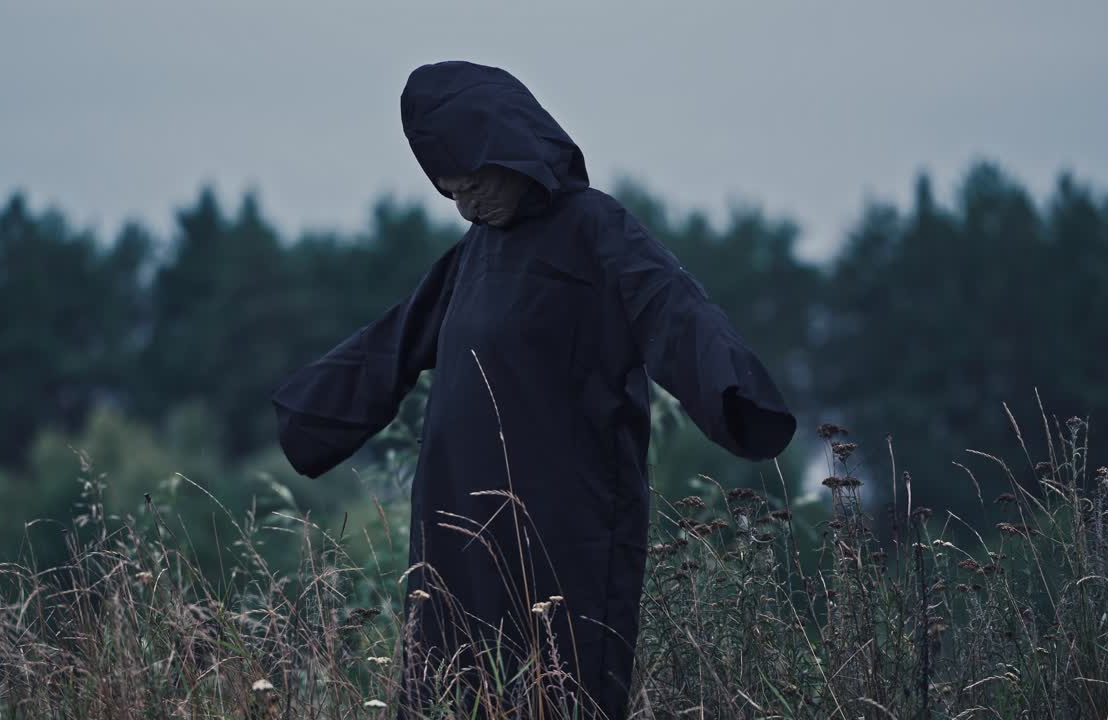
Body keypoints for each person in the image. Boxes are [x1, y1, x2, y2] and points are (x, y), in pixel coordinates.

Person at [272, 60, 797, 719]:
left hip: (565, 520)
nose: (468, 206)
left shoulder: (597, 230)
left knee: (558, 684)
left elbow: (675, 310)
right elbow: (396, 340)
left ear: (512, 151)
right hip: (456, 520)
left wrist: (737, 398)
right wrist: (309, 414)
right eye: (451, 194)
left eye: (476, 184)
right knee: (450, 684)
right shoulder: (475, 252)